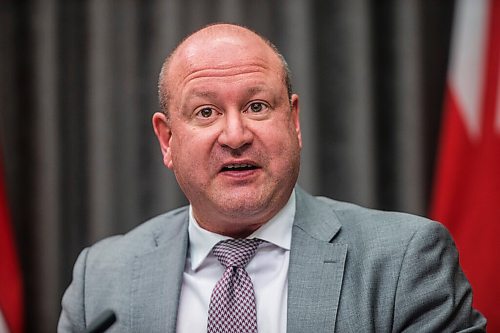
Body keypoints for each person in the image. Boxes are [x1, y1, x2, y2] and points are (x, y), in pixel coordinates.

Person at [58, 23, 486, 332]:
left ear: (294, 121)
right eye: (206, 112)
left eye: (257, 106)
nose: (235, 135)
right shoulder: (102, 280)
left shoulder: (403, 263)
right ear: (167, 140)